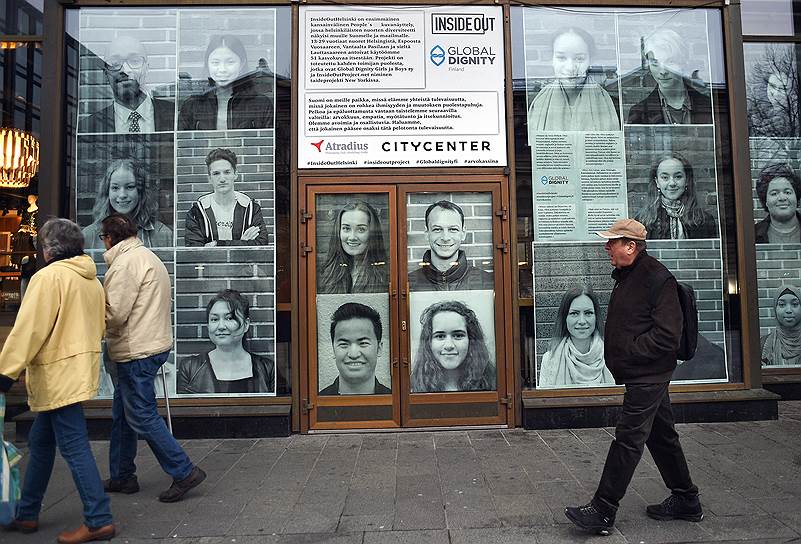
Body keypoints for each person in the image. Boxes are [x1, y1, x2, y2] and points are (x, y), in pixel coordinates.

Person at [565, 218, 702, 535]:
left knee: (628, 439)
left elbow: (668, 336)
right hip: (643, 372)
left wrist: (629, 351)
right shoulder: (629, 275)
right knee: (661, 436)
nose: (606, 247)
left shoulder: (657, 278)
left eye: (612, 242)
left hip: (648, 373)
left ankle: (603, 509)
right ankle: (686, 500)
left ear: (631, 246)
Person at [0, 218, 116, 543]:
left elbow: (29, 329)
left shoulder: (48, 278)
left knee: (74, 447)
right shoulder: (91, 280)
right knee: (41, 442)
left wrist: (6, 372)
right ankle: (27, 513)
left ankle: (99, 519)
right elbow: (102, 323)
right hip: (78, 370)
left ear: (49, 249)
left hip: (56, 373)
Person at [100, 214, 206, 503]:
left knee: (141, 414)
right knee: (124, 414)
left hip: (136, 349)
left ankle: (184, 471)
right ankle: (122, 475)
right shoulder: (147, 256)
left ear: (110, 238)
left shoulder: (125, 264)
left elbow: (115, 314)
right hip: (151, 344)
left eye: (103, 237)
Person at [178, 289, 276, 394]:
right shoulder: (190, 368)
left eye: (229, 318)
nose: (221, 326)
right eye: (214, 319)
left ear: (246, 325)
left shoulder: (268, 369)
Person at [527, 27, 619, 136]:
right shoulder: (539, 102)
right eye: (561, 58)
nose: (570, 68)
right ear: (552, 60)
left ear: (590, 61)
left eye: (579, 58)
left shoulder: (607, 102)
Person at [80, 35, 175, 133]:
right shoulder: (88, 128)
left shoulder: (176, 115)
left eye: (134, 61)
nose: (125, 70)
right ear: (106, 74)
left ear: (146, 69)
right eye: (115, 63)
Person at [178, 34, 273, 130]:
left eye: (230, 62)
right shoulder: (191, 105)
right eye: (215, 62)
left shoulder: (261, 104)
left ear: (242, 63)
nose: (222, 69)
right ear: (208, 64)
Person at [184, 148, 269, 246]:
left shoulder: (251, 209)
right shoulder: (197, 212)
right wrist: (242, 243)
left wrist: (217, 244)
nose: (222, 179)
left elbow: (262, 243)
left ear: (235, 174)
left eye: (227, 172)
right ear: (209, 178)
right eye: (216, 173)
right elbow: (194, 250)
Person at [627, 29, 712, 125]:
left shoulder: (709, 106)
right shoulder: (639, 113)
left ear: (683, 62)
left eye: (670, 62)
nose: (663, 71)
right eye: (655, 62)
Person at [83, 158, 173, 249]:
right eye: (115, 188)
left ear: (140, 192)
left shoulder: (163, 235)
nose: (122, 195)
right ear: (107, 192)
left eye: (130, 187)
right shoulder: (89, 236)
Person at [411, 300, 496, 393]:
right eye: (440, 336)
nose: (449, 345)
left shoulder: (494, 384)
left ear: (471, 340)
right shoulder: (411, 388)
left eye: (458, 335)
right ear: (429, 343)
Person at [408, 201, 494, 291]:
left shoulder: (487, 282)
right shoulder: (408, 284)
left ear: (463, 233)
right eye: (437, 229)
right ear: (427, 233)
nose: (445, 238)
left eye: (453, 229)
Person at [539, 285, 613, 387]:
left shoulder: (612, 357)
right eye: (574, 313)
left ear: (596, 317)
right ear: (565, 317)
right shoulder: (549, 360)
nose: (582, 321)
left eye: (588, 313)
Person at [634, 152, 718, 240]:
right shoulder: (642, 221)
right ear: (657, 182)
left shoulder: (705, 220)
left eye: (678, 177)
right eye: (665, 178)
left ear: (687, 180)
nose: (672, 183)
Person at [320, 302, 391, 395]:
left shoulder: (396, 401)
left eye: (363, 343)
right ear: (333, 349)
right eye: (344, 344)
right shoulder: (318, 401)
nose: (353, 354)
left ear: (379, 348)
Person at [318, 200, 388, 294]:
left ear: (372, 234)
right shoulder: (326, 273)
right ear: (338, 231)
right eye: (346, 228)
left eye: (361, 229)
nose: (352, 237)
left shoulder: (386, 274)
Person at [754, 163, 801, 244]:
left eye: (787, 192)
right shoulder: (753, 234)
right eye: (774, 194)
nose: (782, 198)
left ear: (796, 197)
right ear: (766, 201)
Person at [761, 284, 801, 366]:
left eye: (795, 304)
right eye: (782, 305)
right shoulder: (763, 344)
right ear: (775, 309)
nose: (789, 310)